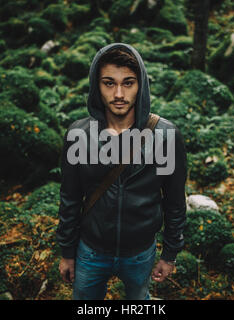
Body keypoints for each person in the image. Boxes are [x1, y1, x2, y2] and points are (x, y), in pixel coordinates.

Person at [56, 43, 187, 300]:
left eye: (128, 83)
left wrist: (170, 254)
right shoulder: (78, 134)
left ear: (141, 86)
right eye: (108, 83)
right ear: (97, 86)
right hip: (90, 251)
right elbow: (69, 198)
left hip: (140, 253)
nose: (118, 93)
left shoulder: (166, 136)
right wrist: (67, 252)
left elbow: (174, 200)